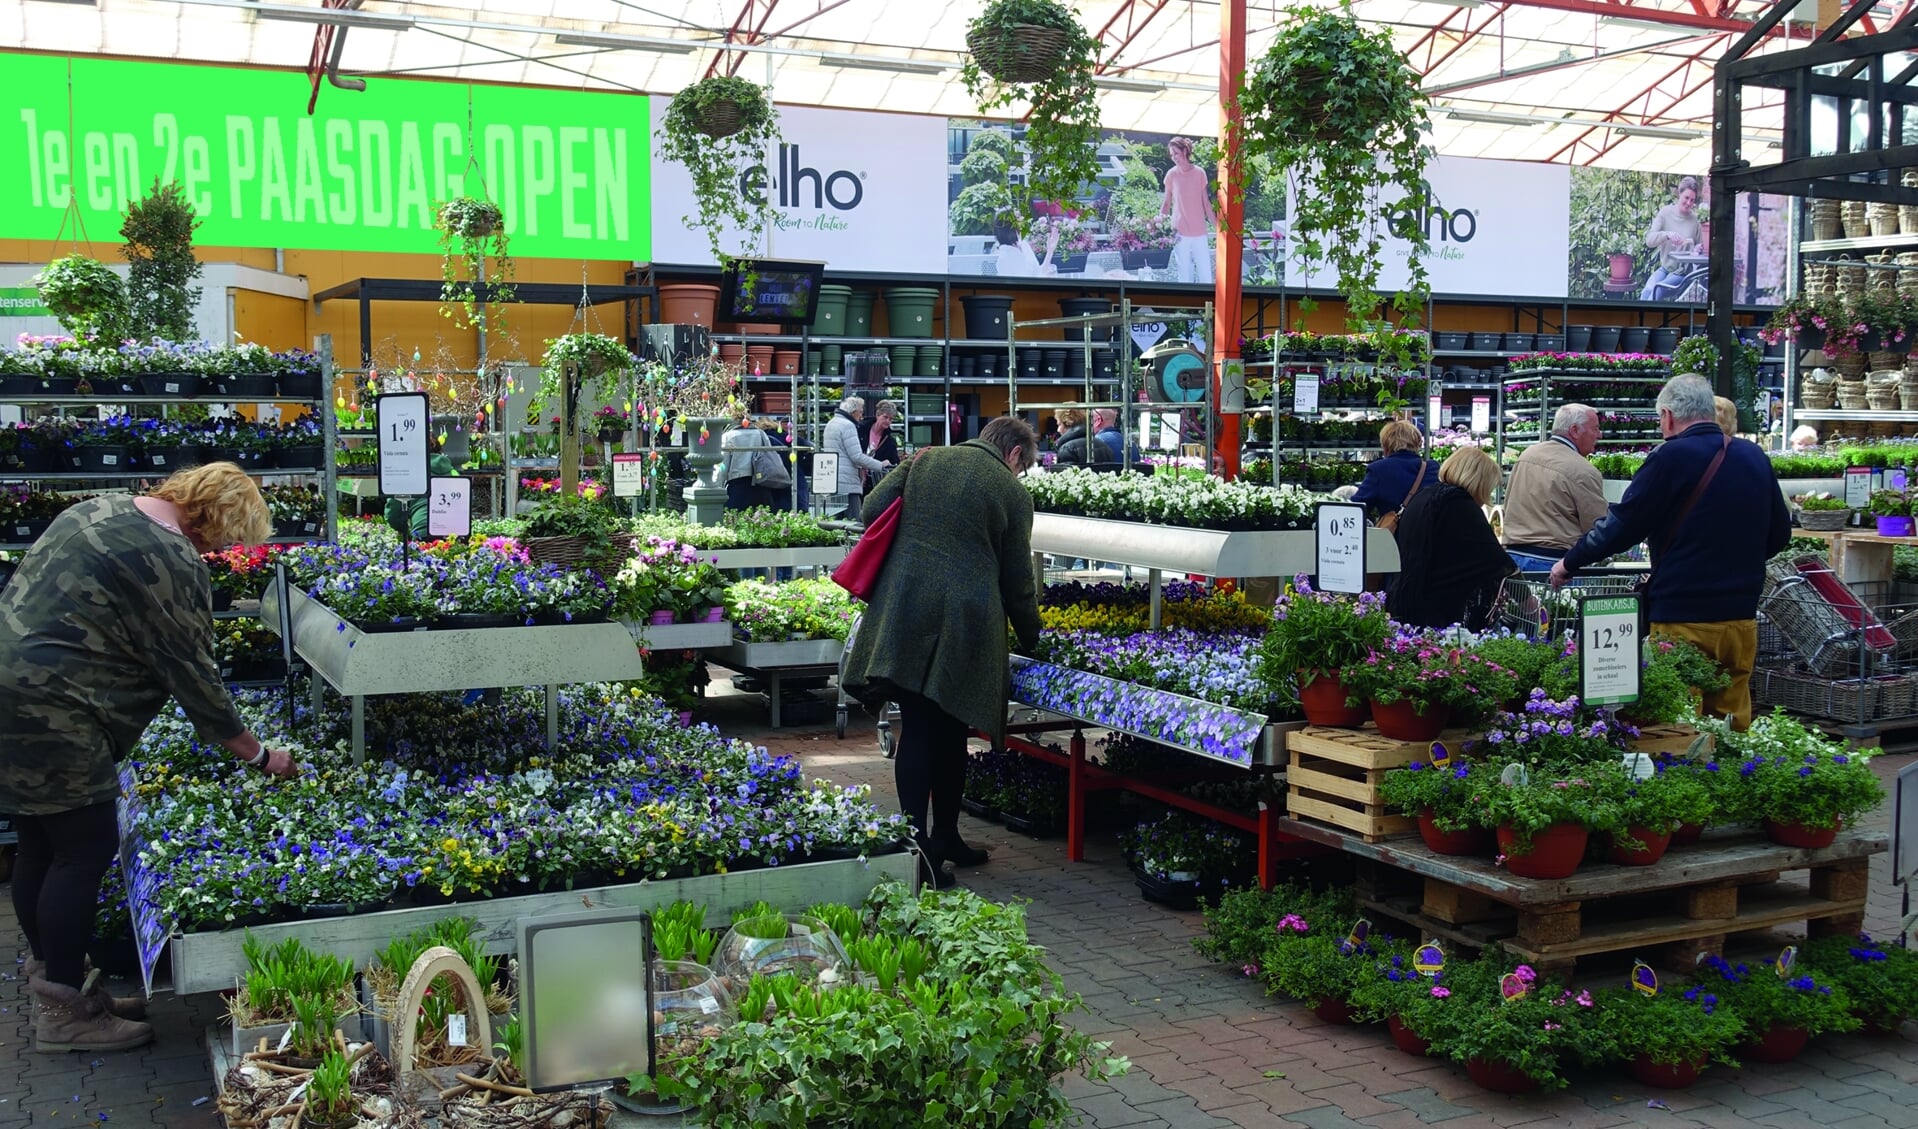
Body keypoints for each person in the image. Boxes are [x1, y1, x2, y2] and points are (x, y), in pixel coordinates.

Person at [0, 463, 298, 1053]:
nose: (223, 550)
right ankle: (63, 1015)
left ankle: (62, 988)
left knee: (40, 840)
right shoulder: (171, 559)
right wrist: (261, 754)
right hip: (55, 710)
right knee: (82, 850)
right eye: (231, 537)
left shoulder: (102, 507)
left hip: (12, 689)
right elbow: (194, 677)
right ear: (219, 519)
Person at [840, 417, 1043, 888]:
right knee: (946, 732)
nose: (1020, 475)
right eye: (1023, 467)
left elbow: (872, 508)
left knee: (926, 728)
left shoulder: (925, 460)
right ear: (1014, 454)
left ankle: (941, 840)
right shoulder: (1012, 493)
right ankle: (923, 856)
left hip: (905, 609)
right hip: (967, 624)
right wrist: (1034, 636)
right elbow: (1018, 581)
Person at [1551, 374, 1792, 730]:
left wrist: (1569, 562)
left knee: (1680, 723)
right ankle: (1729, 779)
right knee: (1732, 721)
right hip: (1740, 617)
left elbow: (1622, 526)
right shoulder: (1753, 456)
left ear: (1667, 416)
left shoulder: (1670, 457)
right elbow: (1779, 534)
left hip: (1684, 615)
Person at [1387, 446, 1517, 630]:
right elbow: (1496, 559)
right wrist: (1529, 604)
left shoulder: (1424, 496)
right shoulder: (1460, 505)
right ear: (1478, 481)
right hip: (1438, 611)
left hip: (1406, 598)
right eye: (1487, 487)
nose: (1486, 495)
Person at [1502, 403, 1609, 573]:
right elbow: (1597, 527)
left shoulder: (1527, 455)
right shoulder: (1582, 469)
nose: (1600, 435)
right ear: (1574, 430)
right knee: (1558, 601)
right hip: (1555, 564)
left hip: (1513, 557)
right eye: (1595, 429)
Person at [1351, 420, 1443, 524]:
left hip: (1394, 537)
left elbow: (1356, 509)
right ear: (1417, 443)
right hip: (1428, 536)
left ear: (1385, 445)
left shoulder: (1379, 470)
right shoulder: (1432, 468)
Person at [823, 397, 890, 520]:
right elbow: (857, 457)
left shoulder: (831, 423)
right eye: (860, 412)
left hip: (832, 481)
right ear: (853, 412)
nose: (861, 415)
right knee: (852, 523)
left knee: (833, 523)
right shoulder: (848, 426)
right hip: (848, 483)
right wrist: (880, 465)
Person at [1160, 137, 1216, 284]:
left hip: (1199, 232)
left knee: (1205, 275)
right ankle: (1186, 307)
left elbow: (1206, 203)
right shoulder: (1171, 175)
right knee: (1184, 275)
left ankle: (1207, 306)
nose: (1174, 158)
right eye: (1172, 155)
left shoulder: (1199, 173)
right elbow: (1166, 204)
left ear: (1185, 151)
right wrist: (1158, 226)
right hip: (1179, 233)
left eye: (1176, 153)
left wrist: (1218, 228)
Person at [1641, 176, 1704, 301]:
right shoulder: (1665, 213)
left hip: (1682, 273)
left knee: (1656, 291)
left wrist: (1697, 250)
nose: (1689, 203)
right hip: (1665, 269)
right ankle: (1640, 320)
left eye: (1692, 200)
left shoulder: (1695, 219)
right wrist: (1667, 234)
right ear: (1679, 194)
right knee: (1646, 291)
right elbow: (1649, 240)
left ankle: (1650, 320)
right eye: (1686, 198)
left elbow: (1700, 248)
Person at [383, 437, 458, 539]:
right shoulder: (454, 473)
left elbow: (393, 513)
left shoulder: (409, 474)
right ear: (440, 451)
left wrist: (403, 530)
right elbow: (466, 503)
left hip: (423, 532)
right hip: (454, 534)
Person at [721, 414, 782, 512]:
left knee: (735, 522)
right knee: (763, 522)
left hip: (738, 488)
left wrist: (716, 488)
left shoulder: (728, 437)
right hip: (762, 486)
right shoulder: (761, 433)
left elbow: (722, 468)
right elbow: (770, 455)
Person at [991, 219, 1058, 278]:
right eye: (1018, 218)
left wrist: (1050, 250)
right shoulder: (1004, 258)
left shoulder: (1023, 244)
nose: (1022, 219)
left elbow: (1037, 273)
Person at [858, 399, 901, 470]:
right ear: (877, 415)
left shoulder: (890, 442)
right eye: (885, 417)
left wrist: (889, 463)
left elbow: (895, 463)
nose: (888, 421)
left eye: (891, 419)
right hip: (855, 474)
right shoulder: (860, 429)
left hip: (873, 478)